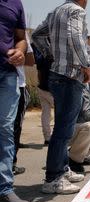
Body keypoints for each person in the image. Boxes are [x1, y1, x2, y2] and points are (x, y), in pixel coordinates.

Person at [32, 0, 90, 195]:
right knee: (63, 130)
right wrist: (86, 63)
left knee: (63, 126)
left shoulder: (55, 12)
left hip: (58, 75)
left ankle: (62, 169)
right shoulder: (77, 11)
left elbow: (36, 35)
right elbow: (75, 36)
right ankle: (53, 178)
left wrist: (51, 54)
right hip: (70, 75)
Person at [0, 0, 30, 202]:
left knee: (5, 130)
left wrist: (20, 51)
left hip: (7, 74)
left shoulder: (15, 3)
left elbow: (20, 39)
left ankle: (4, 189)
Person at [13, 34, 35, 176]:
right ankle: (10, 164)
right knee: (14, 127)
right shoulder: (19, 31)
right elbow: (30, 60)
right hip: (15, 84)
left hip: (14, 83)